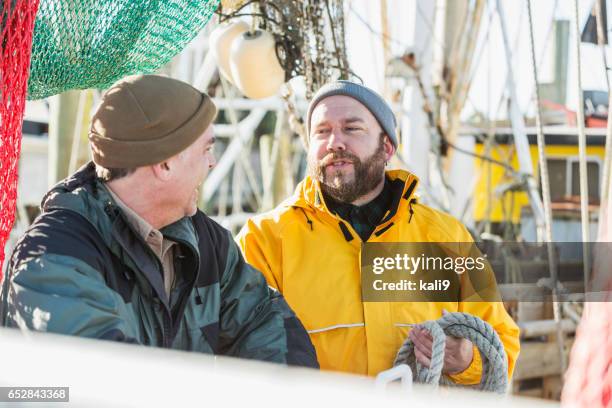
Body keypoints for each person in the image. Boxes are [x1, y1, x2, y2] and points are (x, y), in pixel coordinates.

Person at [0, 74, 318, 368]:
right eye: (206, 148)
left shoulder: (207, 241)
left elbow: (263, 319)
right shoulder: (53, 257)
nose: (212, 161)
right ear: (164, 163)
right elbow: (98, 382)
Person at [237, 80, 519, 381]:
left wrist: (466, 361)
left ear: (386, 147)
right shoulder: (264, 239)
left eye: (351, 128)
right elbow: (236, 349)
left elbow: (502, 344)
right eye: (322, 131)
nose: (335, 142)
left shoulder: (447, 237)